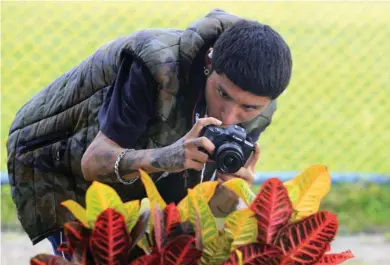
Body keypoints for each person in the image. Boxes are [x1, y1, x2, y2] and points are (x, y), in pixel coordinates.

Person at [6, 8, 292, 259]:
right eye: (222, 93)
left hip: (134, 168)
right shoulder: (157, 66)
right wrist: (169, 156)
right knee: (98, 255)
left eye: (249, 107)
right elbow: (93, 162)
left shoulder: (259, 110)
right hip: (57, 158)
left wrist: (230, 188)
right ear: (209, 63)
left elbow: (207, 211)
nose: (228, 117)